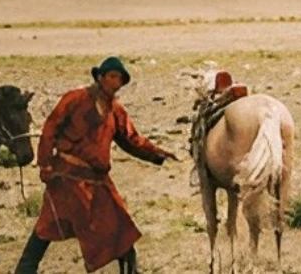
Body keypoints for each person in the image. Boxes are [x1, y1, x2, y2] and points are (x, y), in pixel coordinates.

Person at [14, 56, 178, 274]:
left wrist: (157, 154)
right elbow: (50, 129)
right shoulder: (75, 99)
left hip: (97, 181)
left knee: (121, 227)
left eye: (120, 79)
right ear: (100, 78)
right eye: (112, 77)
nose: (116, 83)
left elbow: (131, 139)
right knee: (48, 226)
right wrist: (45, 165)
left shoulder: (115, 111)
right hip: (67, 177)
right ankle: (24, 270)